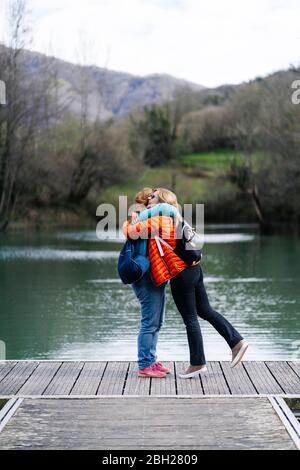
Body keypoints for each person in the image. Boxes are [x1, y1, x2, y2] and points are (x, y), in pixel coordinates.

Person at [125, 188, 249, 379]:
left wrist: (133, 218)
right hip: (194, 269)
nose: (149, 199)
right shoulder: (177, 219)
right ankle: (236, 342)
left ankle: (197, 363)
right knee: (205, 310)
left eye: (154, 197)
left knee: (190, 318)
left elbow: (132, 231)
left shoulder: (160, 218)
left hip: (181, 274)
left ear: (162, 202)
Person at [124, 188, 181, 378]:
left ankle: (151, 360)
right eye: (149, 198)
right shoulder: (146, 219)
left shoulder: (148, 219)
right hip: (144, 276)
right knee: (149, 322)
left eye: (153, 198)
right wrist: (169, 209)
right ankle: (144, 365)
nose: (150, 201)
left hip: (154, 275)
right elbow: (137, 227)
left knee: (157, 321)